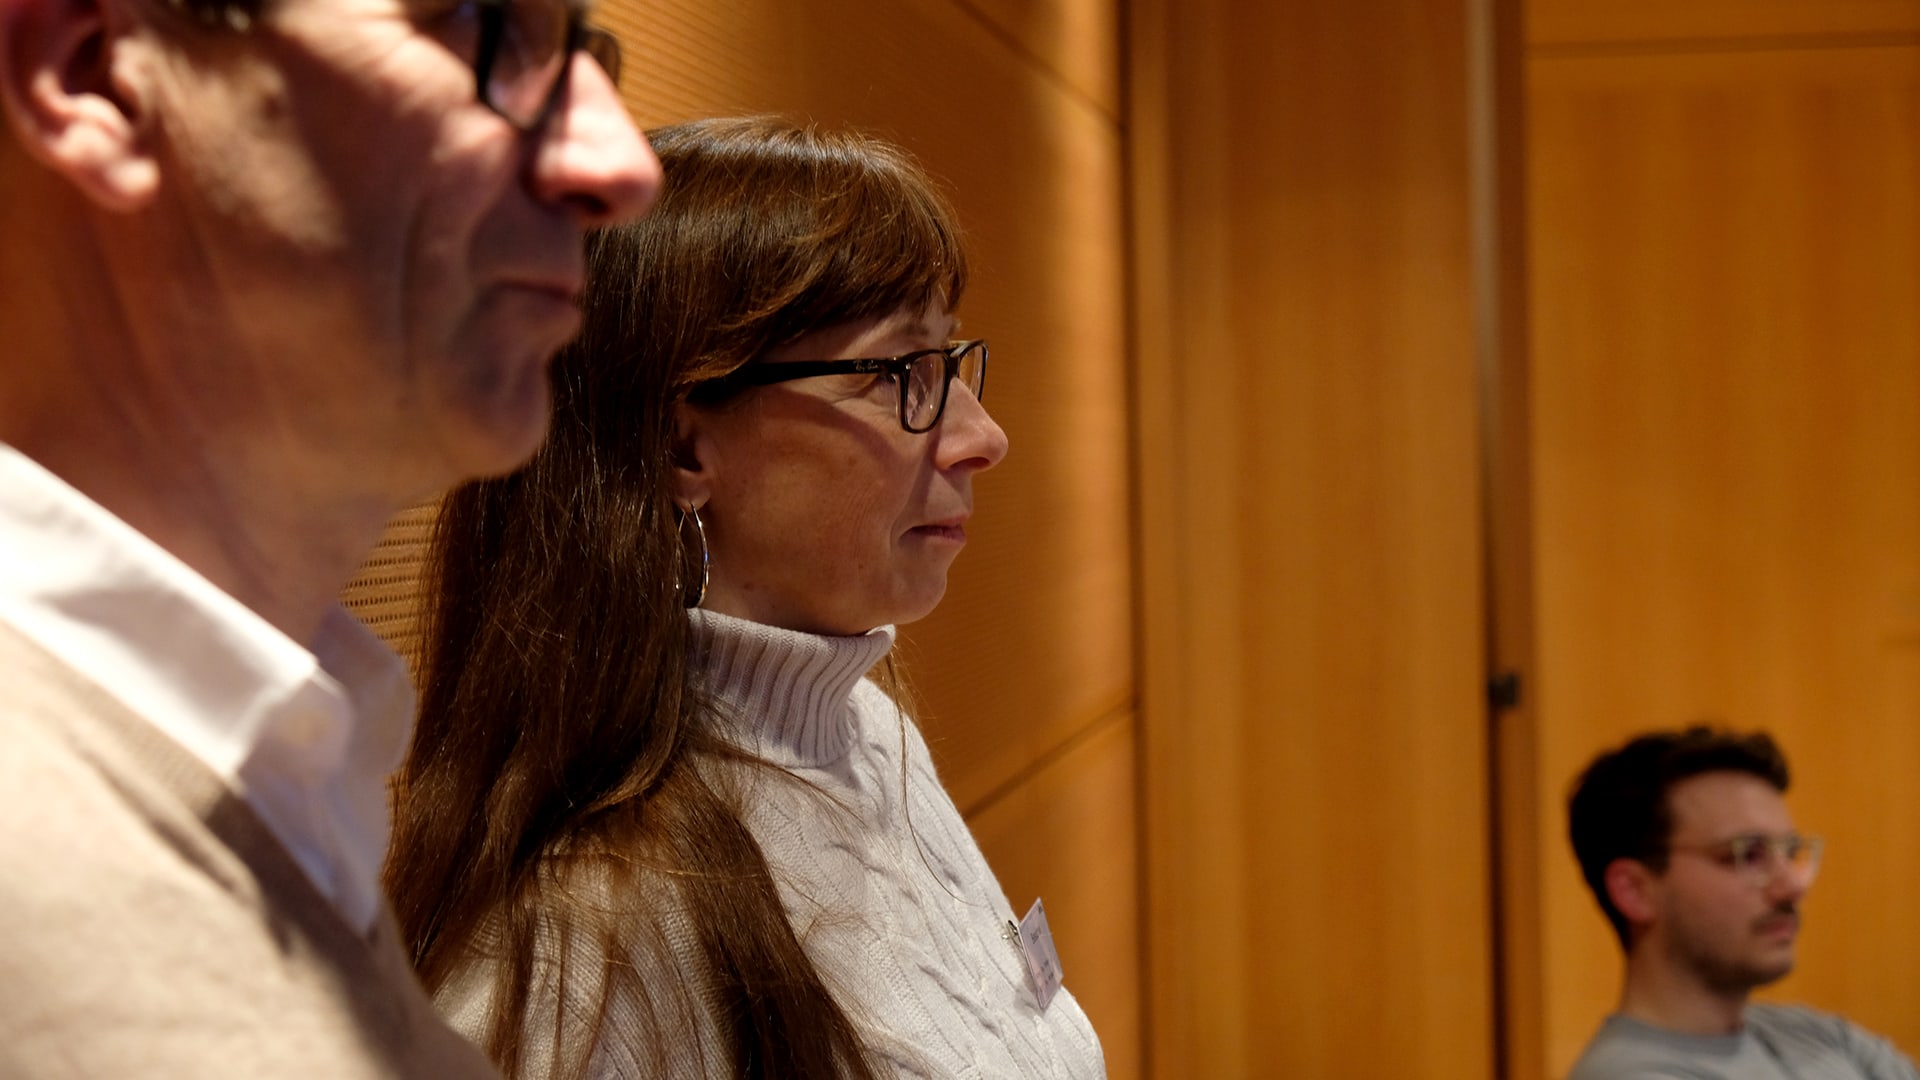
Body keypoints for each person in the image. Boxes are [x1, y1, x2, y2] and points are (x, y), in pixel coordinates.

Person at [0, 0, 660, 1067]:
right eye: (478, 28)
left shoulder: (287, 773)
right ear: (99, 79)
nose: (621, 166)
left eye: (583, 55)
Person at [385, 116, 1107, 1079]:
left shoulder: (864, 729)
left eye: (953, 364)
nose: (982, 436)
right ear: (686, 448)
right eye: (905, 375)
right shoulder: (588, 943)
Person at [1565, 726, 1918, 1079]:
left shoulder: (1819, 1037)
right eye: (1749, 855)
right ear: (1634, 891)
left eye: (1791, 852)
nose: (1792, 887)